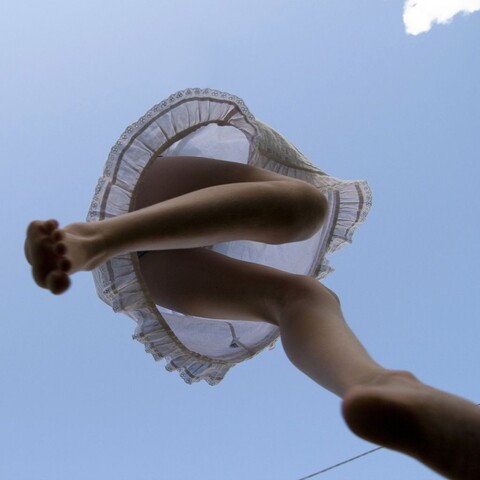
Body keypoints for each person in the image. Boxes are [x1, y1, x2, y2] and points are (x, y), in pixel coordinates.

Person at [24, 88, 480, 479]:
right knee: (303, 213)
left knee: (304, 291)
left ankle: (375, 383)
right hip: (155, 219)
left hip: (158, 264)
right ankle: (94, 240)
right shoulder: (253, 176)